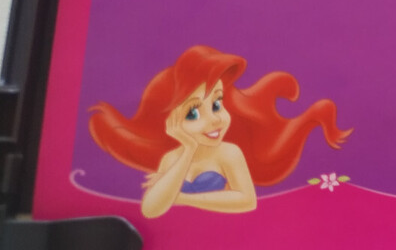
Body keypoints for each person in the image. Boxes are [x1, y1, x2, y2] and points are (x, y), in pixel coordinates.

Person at [89, 45, 350, 217]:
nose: (215, 119)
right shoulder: (171, 159)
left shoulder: (229, 153)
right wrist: (188, 150)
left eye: (216, 104)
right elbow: (150, 209)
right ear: (171, 122)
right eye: (193, 113)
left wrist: (182, 198)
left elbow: (246, 201)